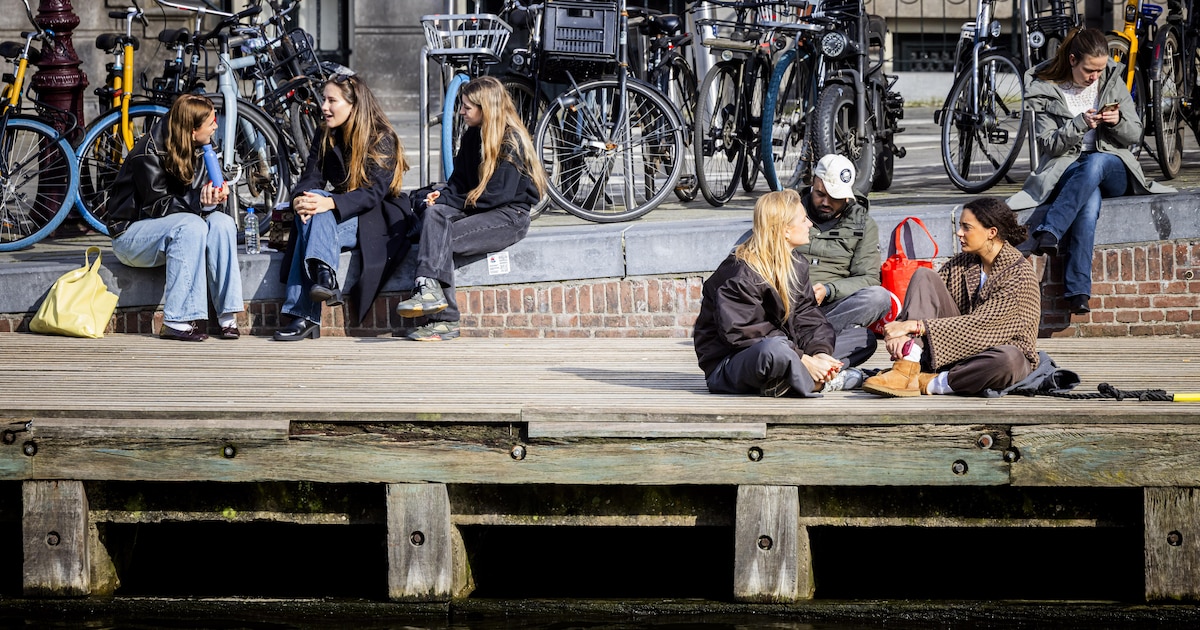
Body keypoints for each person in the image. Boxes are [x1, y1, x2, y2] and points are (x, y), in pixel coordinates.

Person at [1007, 27, 1173, 315]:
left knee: (1095, 163)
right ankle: (1078, 292)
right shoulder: (1043, 85)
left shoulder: (1110, 78)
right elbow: (1048, 144)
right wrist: (1079, 124)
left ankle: (1051, 229)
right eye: (1089, 70)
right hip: (1066, 169)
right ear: (1072, 60)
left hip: (1113, 166)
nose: (1095, 76)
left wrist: (1117, 120)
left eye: (1099, 69)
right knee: (1089, 200)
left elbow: (1134, 134)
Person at [394, 75, 547, 341]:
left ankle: (443, 317)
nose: (461, 111)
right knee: (434, 213)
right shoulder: (471, 136)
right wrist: (438, 196)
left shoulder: (512, 142)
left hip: (508, 215)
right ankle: (429, 290)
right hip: (478, 207)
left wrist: (448, 199)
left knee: (438, 236)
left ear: (485, 109)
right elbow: (458, 184)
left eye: (467, 107)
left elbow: (494, 196)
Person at [274, 73, 414, 341]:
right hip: (337, 214)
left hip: (376, 217)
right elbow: (311, 178)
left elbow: (374, 193)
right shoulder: (325, 133)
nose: (323, 106)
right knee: (311, 207)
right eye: (323, 100)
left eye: (331, 100)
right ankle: (324, 276)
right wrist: (299, 200)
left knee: (314, 215)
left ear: (353, 105)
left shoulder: (381, 137)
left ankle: (303, 314)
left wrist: (329, 202)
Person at [693, 189, 867, 398]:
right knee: (774, 350)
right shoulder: (739, 273)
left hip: (787, 350)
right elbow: (746, 333)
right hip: (732, 364)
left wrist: (820, 353)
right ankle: (822, 382)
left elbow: (807, 316)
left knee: (863, 338)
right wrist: (804, 359)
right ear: (785, 230)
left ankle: (789, 379)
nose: (810, 224)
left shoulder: (796, 264)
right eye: (804, 220)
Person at [861, 198, 1041, 397]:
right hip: (953, 351)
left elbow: (981, 327)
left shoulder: (1019, 276)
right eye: (960, 226)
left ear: (991, 232)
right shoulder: (963, 262)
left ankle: (931, 383)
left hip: (994, 354)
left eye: (967, 227)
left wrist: (914, 326)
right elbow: (926, 301)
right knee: (924, 276)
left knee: (1009, 359)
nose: (959, 233)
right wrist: (902, 333)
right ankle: (906, 367)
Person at [106, 94, 243, 342]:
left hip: (180, 227)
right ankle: (177, 320)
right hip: (132, 234)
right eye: (211, 121)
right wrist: (199, 202)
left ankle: (227, 316)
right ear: (192, 131)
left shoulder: (204, 147)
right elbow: (158, 206)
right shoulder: (146, 153)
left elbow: (201, 210)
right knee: (190, 226)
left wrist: (213, 200)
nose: (216, 125)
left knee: (222, 223)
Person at [794, 154, 889, 367]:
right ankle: (813, 360)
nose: (826, 202)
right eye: (820, 194)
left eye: (834, 197)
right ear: (812, 183)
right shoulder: (790, 211)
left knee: (878, 298)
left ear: (847, 196)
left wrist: (829, 290)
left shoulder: (864, 224)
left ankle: (805, 355)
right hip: (786, 303)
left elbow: (869, 279)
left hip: (828, 312)